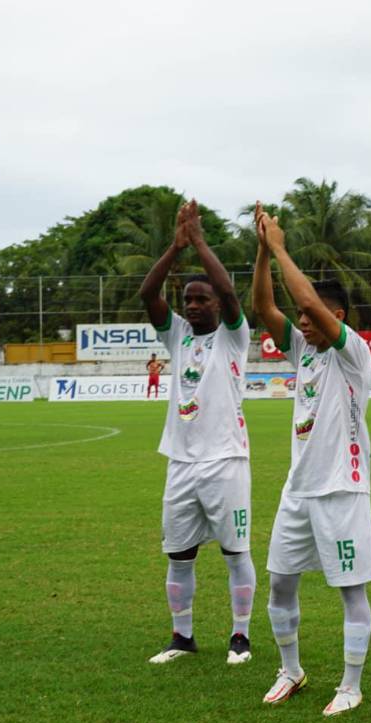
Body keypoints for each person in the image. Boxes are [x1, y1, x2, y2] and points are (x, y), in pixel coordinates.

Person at [252, 203, 371, 717]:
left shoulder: (353, 354)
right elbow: (265, 307)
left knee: (351, 591)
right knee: (280, 584)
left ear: (337, 318)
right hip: (298, 490)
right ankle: (292, 669)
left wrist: (281, 245)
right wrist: (263, 252)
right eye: (301, 319)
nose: (301, 321)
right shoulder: (303, 351)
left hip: (343, 489)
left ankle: (350, 685)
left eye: (310, 316)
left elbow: (302, 295)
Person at [138, 200, 256, 667]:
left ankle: (240, 637)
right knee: (179, 554)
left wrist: (201, 243)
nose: (191, 305)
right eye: (187, 299)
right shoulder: (179, 335)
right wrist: (175, 246)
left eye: (199, 299)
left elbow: (229, 292)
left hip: (225, 460)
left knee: (234, 550)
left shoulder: (233, 334)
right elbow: (148, 293)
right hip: (182, 462)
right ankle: (181, 637)